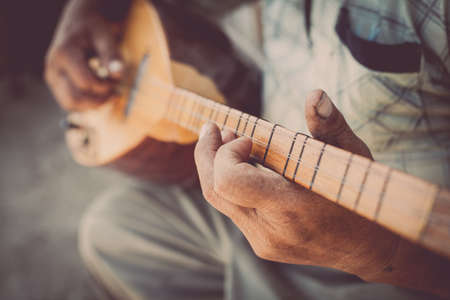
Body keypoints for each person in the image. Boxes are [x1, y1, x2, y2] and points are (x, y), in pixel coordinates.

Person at [45, 0, 450, 299]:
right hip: (262, 168)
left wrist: (377, 252)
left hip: (397, 263)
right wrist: (91, 6)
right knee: (114, 231)